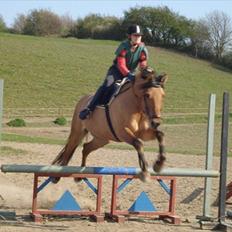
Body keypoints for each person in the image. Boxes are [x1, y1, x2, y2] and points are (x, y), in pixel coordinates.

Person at [79, 24, 149, 120]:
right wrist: (128, 74)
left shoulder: (142, 49)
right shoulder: (124, 46)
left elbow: (142, 63)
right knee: (108, 85)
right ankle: (89, 109)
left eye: (139, 35)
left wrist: (145, 70)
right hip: (116, 71)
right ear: (129, 36)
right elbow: (121, 64)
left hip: (132, 73)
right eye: (135, 35)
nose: (137, 37)